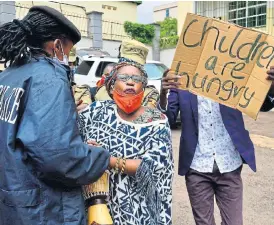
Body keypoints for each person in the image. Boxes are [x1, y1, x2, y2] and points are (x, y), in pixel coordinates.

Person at [0, 6, 114, 225]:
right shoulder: (49, 76)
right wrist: (98, 156)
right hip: (44, 209)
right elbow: (58, 157)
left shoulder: (10, 74)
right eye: (69, 52)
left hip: (13, 198)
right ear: (58, 45)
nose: (68, 59)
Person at [78, 40, 174, 225]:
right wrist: (86, 148)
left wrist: (105, 160)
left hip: (141, 213)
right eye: (123, 78)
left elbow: (152, 169)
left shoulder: (157, 121)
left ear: (143, 87)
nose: (130, 82)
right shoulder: (96, 112)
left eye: (137, 79)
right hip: (100, 210)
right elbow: (72, 144)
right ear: (111, 85)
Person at [159, 68, 260, 225]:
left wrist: (271, 84)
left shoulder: (233, 73)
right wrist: (163, 94)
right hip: (197, 167)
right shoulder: (181, 80)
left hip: (229, 165)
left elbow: (262, 102)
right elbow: (168, 119)